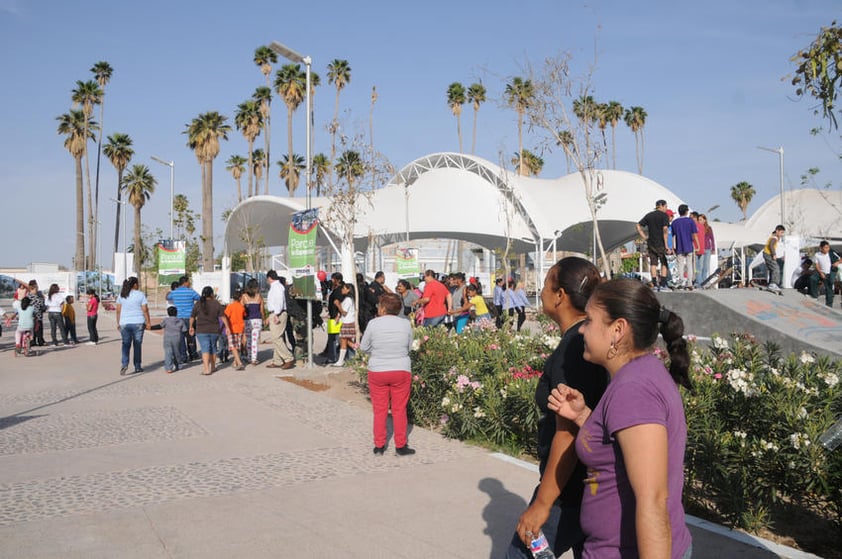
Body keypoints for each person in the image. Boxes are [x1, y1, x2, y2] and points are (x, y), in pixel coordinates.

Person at [548, 278, 693, 559]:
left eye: (589, 320)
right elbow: (620, 447)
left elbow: (653, 501)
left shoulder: (634, 390)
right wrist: (584, 417)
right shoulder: (638, 374)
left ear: (617, 330)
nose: (582, 331)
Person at [506, 257, 608, 559]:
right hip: (584, 487)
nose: (541, 291)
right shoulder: (584, 341)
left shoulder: (574, 348)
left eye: (547, 283)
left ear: (560, 295)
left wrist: (542, 504)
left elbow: (569, 431)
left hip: (568, 491)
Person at [359, 292, 416, 456]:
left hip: (378, 370)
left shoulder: (373, 323)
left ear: (382, 308)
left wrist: (376, 351)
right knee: (399, 409)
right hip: (401, 369)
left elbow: (363, 347)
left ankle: (379, 445)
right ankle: (401, 446)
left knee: (379, 410)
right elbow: (409, 347)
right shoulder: (405, 324)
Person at [115, 276, 151, 375]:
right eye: (138, 283)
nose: (138, 285)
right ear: (135, 284)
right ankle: (137, 366)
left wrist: (118, 323)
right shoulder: (140, 295)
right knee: (137, 345)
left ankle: (124, 364)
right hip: (138, 322)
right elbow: (145, 310)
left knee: (125, 344)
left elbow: (118, 311)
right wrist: (148, 322)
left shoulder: (122, 295)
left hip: (124, 323)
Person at [636, 199, 672, 291]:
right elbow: (665, 230)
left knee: (653, 263)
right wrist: (666, 245)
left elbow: (638, 225)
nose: (666, 208)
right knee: (664, 263)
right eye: (666, 206)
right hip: (660, 243)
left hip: (651, 243)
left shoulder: (649, 215)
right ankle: (663, 284)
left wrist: (644, 237)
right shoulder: (664, 216)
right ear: (662, 206)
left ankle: (655, 284)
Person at [264, 270, 295, 370]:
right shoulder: (276, 286)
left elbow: (279, 301)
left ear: (269, 278)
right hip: (277, 312)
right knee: (278, 337)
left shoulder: (277, 287)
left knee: (276, 337)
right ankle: (277, 360)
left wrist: (276, 314)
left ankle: (288, 358)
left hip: (278, 313)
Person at [167, 276, 201, 362]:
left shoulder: (175, 292)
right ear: (185, 282)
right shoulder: (191, 291)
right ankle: (193, 354)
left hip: (178, 318)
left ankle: (183, 356)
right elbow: (199, 298)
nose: (189, 283)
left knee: (181, 338)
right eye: (188, 282)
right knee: (191, 336)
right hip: (190, 318)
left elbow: (168, 297)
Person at [670, 204, 698, 290]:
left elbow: (673, 236)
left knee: (680, 265)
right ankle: (689, 283)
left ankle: (681, 282)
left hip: (679, 246)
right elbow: (694, 234)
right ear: (686, 212)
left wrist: (673, 247)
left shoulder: (674, 222)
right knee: (689, 265)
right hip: (689, 245)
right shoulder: (690, 221)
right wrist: (697, 244)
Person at [153, 306, 187, 374]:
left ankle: (169, 368)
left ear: (168, 313)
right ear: (176, 313)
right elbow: (184, 330)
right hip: (177, 338)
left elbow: (159, 326)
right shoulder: (180, 320)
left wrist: (150, 327)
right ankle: (179, 365)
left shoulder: (166, 320)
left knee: (168, 352)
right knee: (177, 352)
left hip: (167, 338)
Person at [332, 282, 357, 367]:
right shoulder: (349, 299)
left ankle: (340, 361)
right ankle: (359, 351)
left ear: (348, 290)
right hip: (348, 321)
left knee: (343, 341)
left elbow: (344, 312)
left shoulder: (348, 300)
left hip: (347, 322)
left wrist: (338, 305)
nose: (342, 290)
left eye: (344, 288)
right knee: (348, 341)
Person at [321, 272, 344, 363]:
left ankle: (332, 357)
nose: (332, 281)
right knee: (333, 338)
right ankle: (332, 355)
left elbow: (339, 303)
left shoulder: (339, 290)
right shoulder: (335, 289)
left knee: (333, 338)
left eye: (333, 279)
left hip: (336, 317)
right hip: (332, 316)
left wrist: (338, 315)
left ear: (338, 280)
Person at [810, 240, 841, 307]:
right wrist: (821, 273)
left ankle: (829, 305)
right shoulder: (817, 254)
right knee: (813, 278)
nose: (827, 249)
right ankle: (814, 296)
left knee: (829, 286)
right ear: (821, 248)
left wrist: (837, 263)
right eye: (825, 247)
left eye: (828, 247)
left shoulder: (831, 252)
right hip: (821, 271)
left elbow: (840, 259)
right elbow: (816, 265)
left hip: (830, 272)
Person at [241, 278, 265, 366]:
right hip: (257, 320)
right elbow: (262, 310)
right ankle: (254, 359)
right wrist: (264, 319)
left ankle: (249, 357)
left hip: (248, 320)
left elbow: (241, 309)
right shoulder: (259, 296)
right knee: (255, 340)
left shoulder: (244, 296)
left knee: (249, 339)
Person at [224, 289, 247, 371]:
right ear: (240, 298)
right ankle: (235, 362)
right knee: (237, 346)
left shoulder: (230, 306)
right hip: (240, 328)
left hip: (232, 328)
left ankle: (239, 363)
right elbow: (244, 316)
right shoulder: (242, 307)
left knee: (233, 346)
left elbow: (225, 316)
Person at [694, 213, 715, 288]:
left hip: (708, 249)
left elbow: (712, 238)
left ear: (705, 220)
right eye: (698, 220)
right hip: (701, 249)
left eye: (701, 219)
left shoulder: (708, 228)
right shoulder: (697, 228)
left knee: (706, 267)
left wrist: (713, 248)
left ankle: (704, 280)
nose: (699, 221)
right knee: (700, 266)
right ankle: (700, 282)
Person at [763, 225, 786, 290]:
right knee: (776, 268)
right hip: (768, 254)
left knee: (772, 269)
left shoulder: (774, 236)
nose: (782, 234)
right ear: (777, 231)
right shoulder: (774, 237)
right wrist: (774, 254)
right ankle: (773, 284)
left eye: (783, 233)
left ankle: (771, 283)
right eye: (781, 232)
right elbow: (771, 245)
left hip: (766, 254)